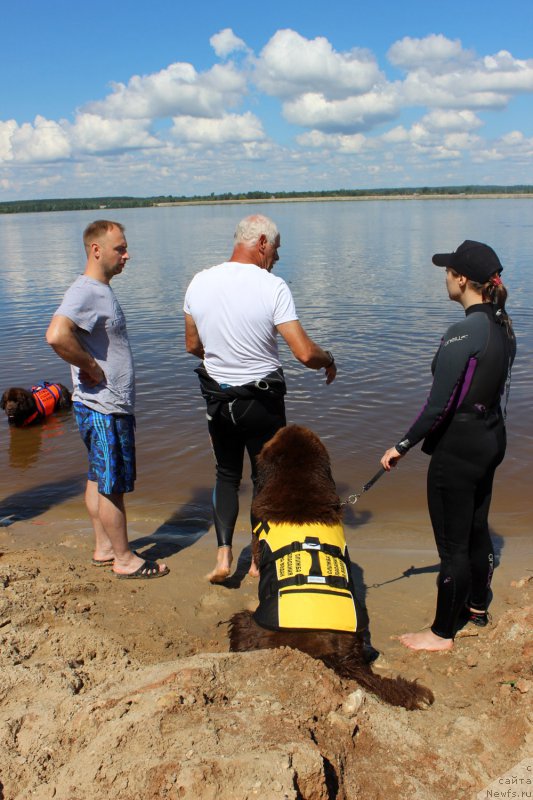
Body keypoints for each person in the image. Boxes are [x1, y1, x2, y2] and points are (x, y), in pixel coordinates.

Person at [184, 213, 337, 583]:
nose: (277, 259)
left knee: (225, 474)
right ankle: (256, 561)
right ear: (263, 243)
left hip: (218, 402)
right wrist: (328, 359)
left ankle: (223, 558)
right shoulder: (272, 286)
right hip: (260, 402)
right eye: (277, 250)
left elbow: (192, 345)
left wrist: (224, 357)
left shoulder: (198, 282)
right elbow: (303, 353)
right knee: (266, 479)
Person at [381, 240, 516, 651]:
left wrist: (400, 447)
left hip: (458, 449)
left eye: (447, 272)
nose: (444, 277)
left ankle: (441, 633)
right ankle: (476, 605)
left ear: (461, 280)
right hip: (492, 438)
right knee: (477, 529)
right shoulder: (503, 325)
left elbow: (437, 405)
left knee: (452, 546)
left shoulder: (463, 331)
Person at [46, 220, 169, 579]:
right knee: (112, 484)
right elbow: (56, 335)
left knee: (98, 476)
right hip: (104, 407)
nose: (127, 255)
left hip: (97, 405)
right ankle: (125, 559)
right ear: (96, 250)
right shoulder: (87, 290)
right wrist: (90, 367)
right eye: (120, 248)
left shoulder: (97, 289)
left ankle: (103, 547)